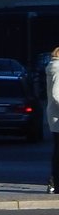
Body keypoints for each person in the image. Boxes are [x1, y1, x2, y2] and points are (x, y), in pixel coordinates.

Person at [47, 46, 59, 194]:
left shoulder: (52, 67)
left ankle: (54, 181)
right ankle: (54, 181)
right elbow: (57, 94)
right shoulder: (58, 68)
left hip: (54, 115)